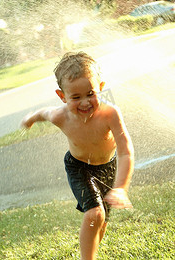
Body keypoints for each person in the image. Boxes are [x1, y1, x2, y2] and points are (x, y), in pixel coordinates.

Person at [21, 51, 134, 260]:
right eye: (75, 97)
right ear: (62, 96)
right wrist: (30, 118)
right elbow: (43, 113)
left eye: (90, 94)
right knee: (94, 214)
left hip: (107, 167)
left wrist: (120, 188)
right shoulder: (60, 116)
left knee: (101, 222)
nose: (84, 102)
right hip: (78, 167)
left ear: (100, 88)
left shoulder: (110, 114)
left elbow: (125, 151)